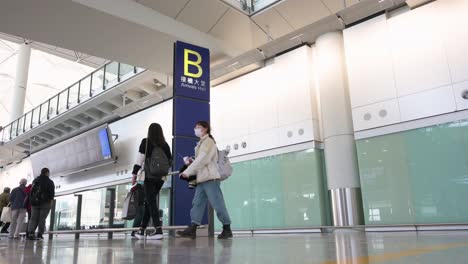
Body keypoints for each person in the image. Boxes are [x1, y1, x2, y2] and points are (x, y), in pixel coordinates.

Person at [177, 121, 233, 239]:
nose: (195, 129)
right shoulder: (201, 143)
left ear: (206, 129)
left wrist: (187, 172)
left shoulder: (208, 142)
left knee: (218, 204)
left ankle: (227, 228)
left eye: (198, 127)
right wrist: (190, 165)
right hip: (202, 179)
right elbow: (200, 161)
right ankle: (193, 228)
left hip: (211, 178)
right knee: (197, 203)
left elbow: (202, 159)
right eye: (195, 127)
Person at [131, 123, 172, 240]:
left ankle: (158, 230)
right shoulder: (165, 145)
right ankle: (141, 230)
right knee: (149, 202)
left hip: (149, 177)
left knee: (151, 202)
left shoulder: (146, 142)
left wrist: (134, 174)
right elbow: (170, 161)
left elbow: (139, 159)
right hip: (161, 178)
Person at [27, 168, 55, 240]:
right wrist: (51, 203)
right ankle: (39, 234)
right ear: (47, 173)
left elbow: (31, 191)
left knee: (33, 218)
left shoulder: (35, 180)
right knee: (42, 218)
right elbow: (52, 193)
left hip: (34, 203)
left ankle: (31, 233)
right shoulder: (49, 181)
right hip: (45, 202)